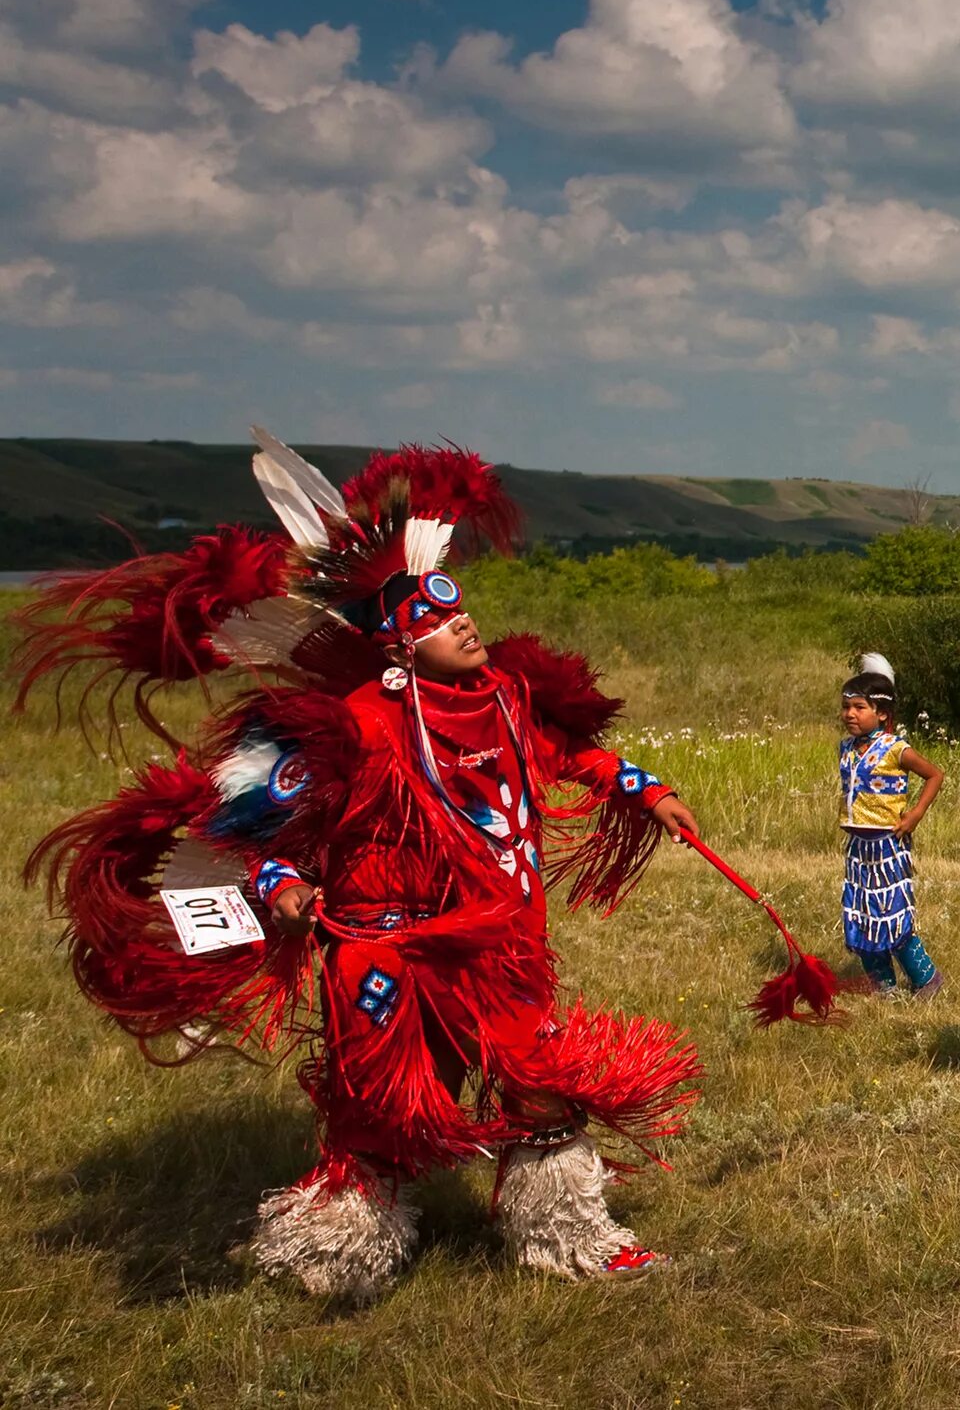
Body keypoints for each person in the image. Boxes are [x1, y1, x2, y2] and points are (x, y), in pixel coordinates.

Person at [16, 435, 725, 1300]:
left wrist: (645, 792)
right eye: (434, 618)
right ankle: (342, 1253)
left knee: (541, 1083)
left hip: (499, 945)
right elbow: (244, 822)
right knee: (381, 1104)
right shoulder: (350, 722)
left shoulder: (504, 697)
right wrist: (281, 887)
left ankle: (563, 1234)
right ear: (396, 646)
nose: (462, 621)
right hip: (384, 949)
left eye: (458, 607)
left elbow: (570, 753)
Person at [836, 652, 946, 998]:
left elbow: (934, 774)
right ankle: (881, 986)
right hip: (858, 847)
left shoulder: (896, 749)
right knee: (861, 915)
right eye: (846, 707)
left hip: (888, 845)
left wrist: (914, 814)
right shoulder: (848, 748)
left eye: (859, 707)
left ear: (881, 714)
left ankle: (926, 979)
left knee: (892, 915)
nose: (850, 714)